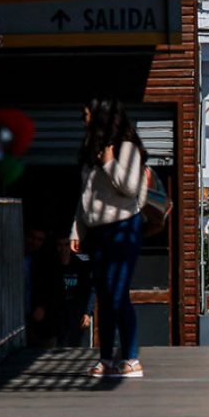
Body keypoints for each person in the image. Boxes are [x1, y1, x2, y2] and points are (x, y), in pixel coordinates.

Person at [71, 96, 147, 378]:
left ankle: (131, 358)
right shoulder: (90, 151)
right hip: (98, 231)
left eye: (88, 115)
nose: (85, 121)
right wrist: (76, 229)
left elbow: (130, 187)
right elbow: (85, 196)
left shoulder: (127, 148)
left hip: (123, 228)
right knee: (104, 294)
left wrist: (110, 162)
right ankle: (107, 359)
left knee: (117, 294)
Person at [54, 234, 95, 347]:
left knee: (78, 346)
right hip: (58, 314)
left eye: (66, 245)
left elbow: (90, 289)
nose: (63, 249)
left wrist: (87, 312)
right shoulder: (51, 266)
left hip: (77, 313)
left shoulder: (81, 265)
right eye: (60, 245)